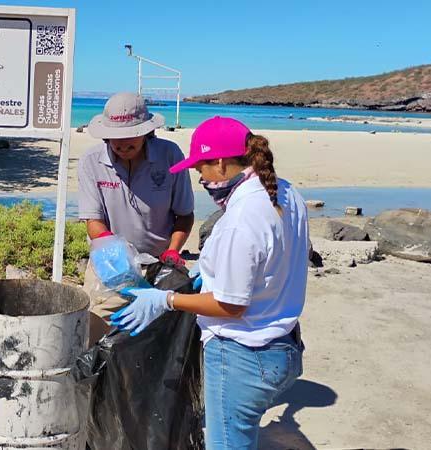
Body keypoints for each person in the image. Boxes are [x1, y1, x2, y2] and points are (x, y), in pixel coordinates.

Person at [110, 116, 309, 449]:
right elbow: (275, 260)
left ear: (219, 163)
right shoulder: (286, 194)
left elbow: (231, 304)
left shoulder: (240, 220)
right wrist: (212, 273)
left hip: (243, 356)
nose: (199, 177)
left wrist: (166, 300)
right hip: (284, 347)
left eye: (200, 169)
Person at [77, 92, 195, 342]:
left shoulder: (170, 156)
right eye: (116, 138)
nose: (122, 145)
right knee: (95, 336)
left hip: (159, 266)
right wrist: (119, 259)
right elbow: (93, 222)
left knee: (153, 342)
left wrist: (173, 251)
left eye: (130, 137)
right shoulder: (90, 162)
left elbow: (184, 215)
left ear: (147, 132)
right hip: (108, 267)